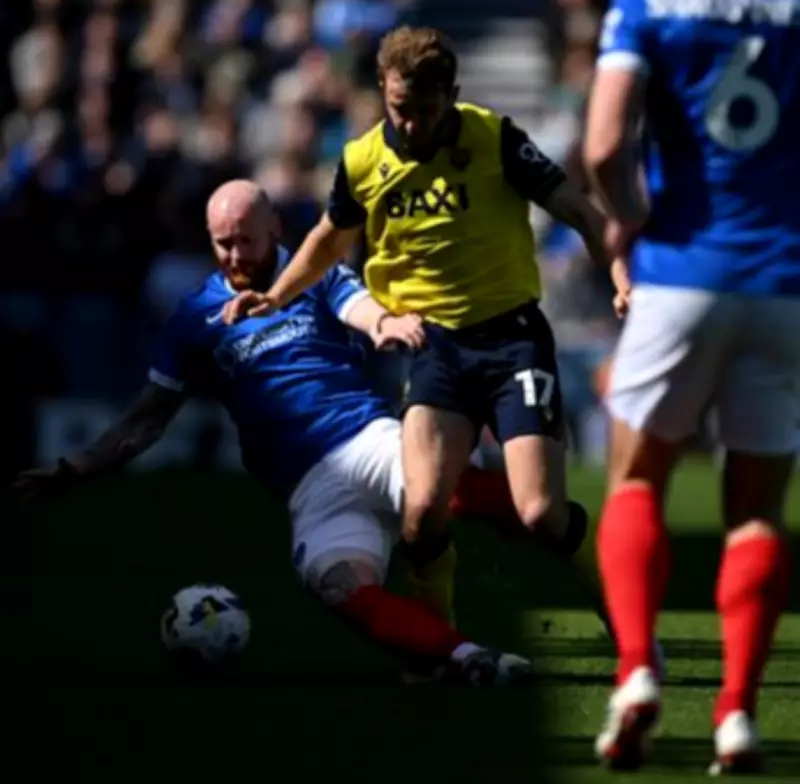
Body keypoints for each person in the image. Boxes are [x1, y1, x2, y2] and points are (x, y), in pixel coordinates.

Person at [13, 180, 531, 685]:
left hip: (363, 436)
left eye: (246, 240)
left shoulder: (315, 274)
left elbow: (360, 308)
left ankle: (554, 525)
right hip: (309, 489)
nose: (235, 255)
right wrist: (76, 467)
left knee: (444, 489)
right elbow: (149, 417)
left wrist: (383, 325)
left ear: (275, 229)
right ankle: (468, 659)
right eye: (223, 243)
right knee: (338, 585)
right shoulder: (196, 316)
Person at [221, 25, 629, 647]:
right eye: (399, 110)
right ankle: (438, 648)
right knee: (419, 515)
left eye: (426, 111)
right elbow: (330, 239)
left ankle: (628, 626)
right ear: (384, 92)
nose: (411, 125)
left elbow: (576, 207)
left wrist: (623, 273)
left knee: (541, 515)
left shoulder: (494, 138)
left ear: (452, 95)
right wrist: (277, 295)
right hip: (434, 346)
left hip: (512, 336)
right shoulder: (362, 161)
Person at [583, 0, 800, 773]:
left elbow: (605, 144)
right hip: (784, 282)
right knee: (758, 509)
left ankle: (637, 666)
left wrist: (627, 215)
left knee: (637, 478)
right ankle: (737, 712)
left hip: (681, 272)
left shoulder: (650, 0)